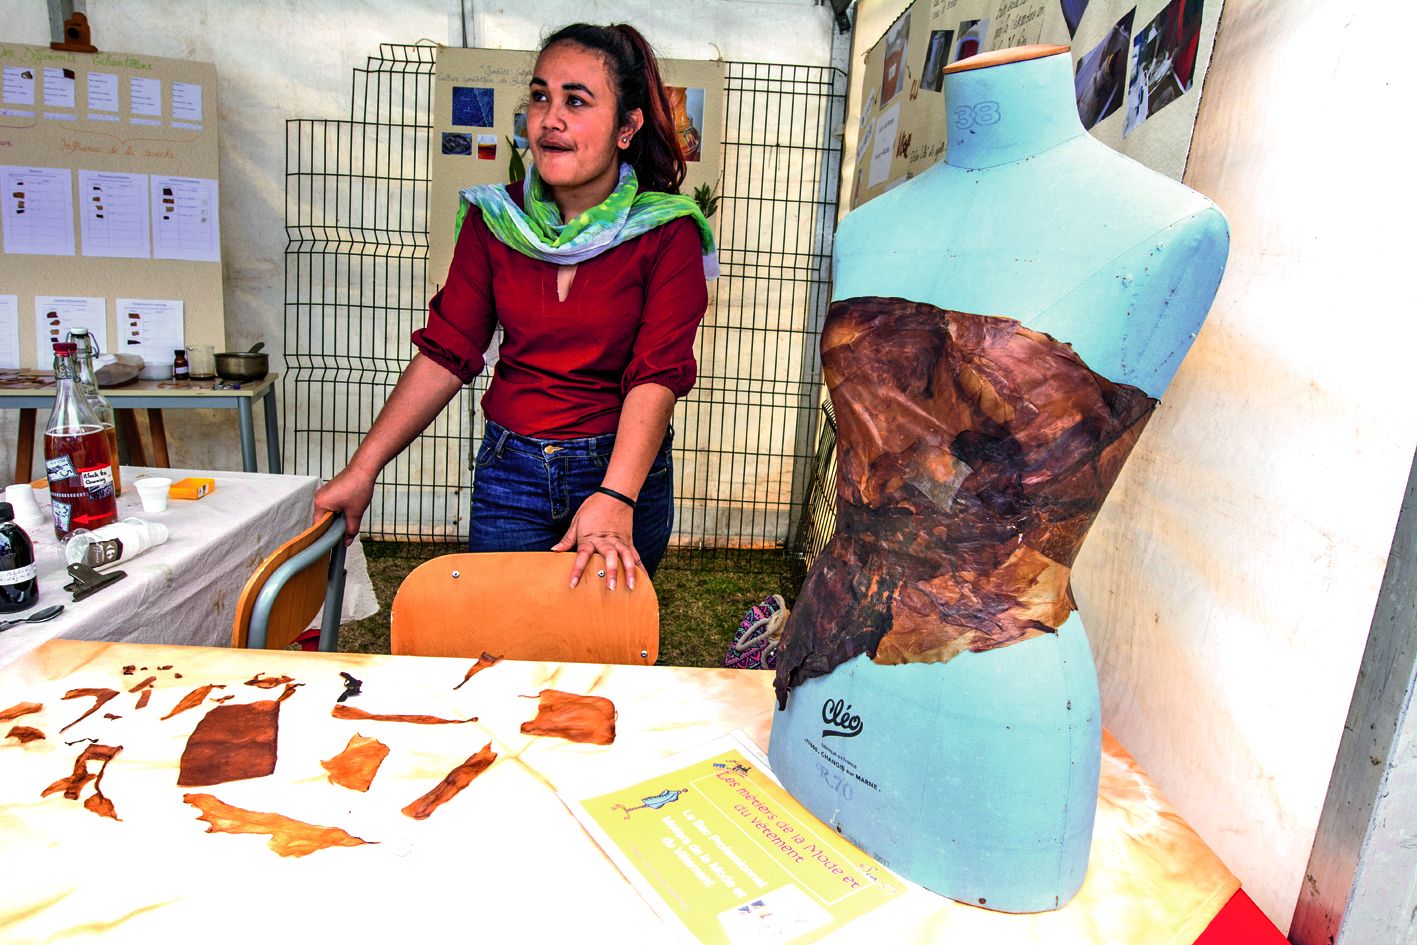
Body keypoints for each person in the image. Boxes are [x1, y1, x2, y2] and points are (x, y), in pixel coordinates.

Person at [315, 23, 716, 591]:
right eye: (539, 96)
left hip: (619, 466)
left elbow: (657, 373)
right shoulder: (493, 219)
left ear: (627, 128)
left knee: (601, 651)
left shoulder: (667, 232)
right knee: (501, 647)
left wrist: (616, 494)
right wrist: (362, 470)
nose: (550, 118)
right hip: (512, 472)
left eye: (576, 101)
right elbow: (448, 349)